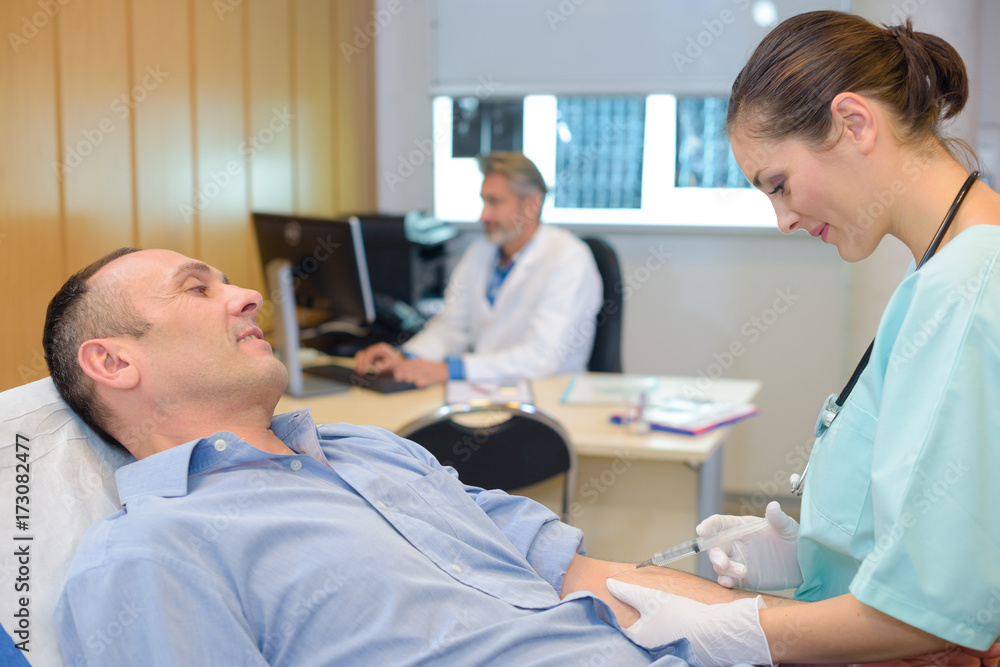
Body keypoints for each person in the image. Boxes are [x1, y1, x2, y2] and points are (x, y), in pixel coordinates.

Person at [43, 247, 704, 666]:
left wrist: (779, 628)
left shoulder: (371, 449)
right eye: (198, 289)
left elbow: (579, 572)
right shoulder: (149, 553)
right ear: (112, 360)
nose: (246, 295)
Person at [605, 10, 1000, 666]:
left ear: (854, 123)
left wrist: (743, 629)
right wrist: (805, 551)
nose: (783, 219)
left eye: (779, 185)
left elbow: (936, 612)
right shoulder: (945, 272)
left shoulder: (969, 282)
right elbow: (944, 529)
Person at [353, 152, 603, 387]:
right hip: (487, 392)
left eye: (495, 202)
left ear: (532, 205)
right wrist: (406, 356)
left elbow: (542, 357)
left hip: (547, 397)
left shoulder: (568, 258)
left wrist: (451, 369)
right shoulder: (481, 252)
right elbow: (452, 327)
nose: (483, 215)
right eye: (484, 201)